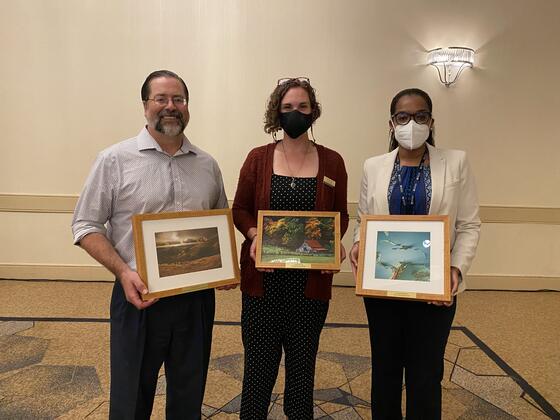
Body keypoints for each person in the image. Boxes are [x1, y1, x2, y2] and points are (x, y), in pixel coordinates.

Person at [71, 70, 229, 419]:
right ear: (145, 106)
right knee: (131, 398)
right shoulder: (114, 160)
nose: (170, 107)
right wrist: (123, 272)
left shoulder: (208, 166)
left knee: (189, 396)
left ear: (188, 107)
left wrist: (226, 265)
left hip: (196, 300)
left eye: (178, 99)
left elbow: (220, 224)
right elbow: (85, 225)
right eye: (161, 99)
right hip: (137, 297)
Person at [349, 88, 481, 420]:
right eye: (403, 117)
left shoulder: (456, 162)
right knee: (385, 371)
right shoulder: (374, 166)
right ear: (392, 123)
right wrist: (357, 243)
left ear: (431, 121)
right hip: (383, 287)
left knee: (425, 374)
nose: (412, 123)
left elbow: (469, 224)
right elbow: (364, 219)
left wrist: (455, 269)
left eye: (420, 116)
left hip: (434, 289)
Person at [232, 77, 349, 418]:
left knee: (301, 374)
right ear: (276, 113)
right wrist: (255, 236)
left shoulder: (332, 162)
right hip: (263, 285)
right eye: (287, 108)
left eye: (302, 107)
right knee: (257, 373)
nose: (295, 113)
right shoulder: (257, 158)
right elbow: (239, 210)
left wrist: (334, 243)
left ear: (313, 113)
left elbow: (339, 214)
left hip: (309, 288)